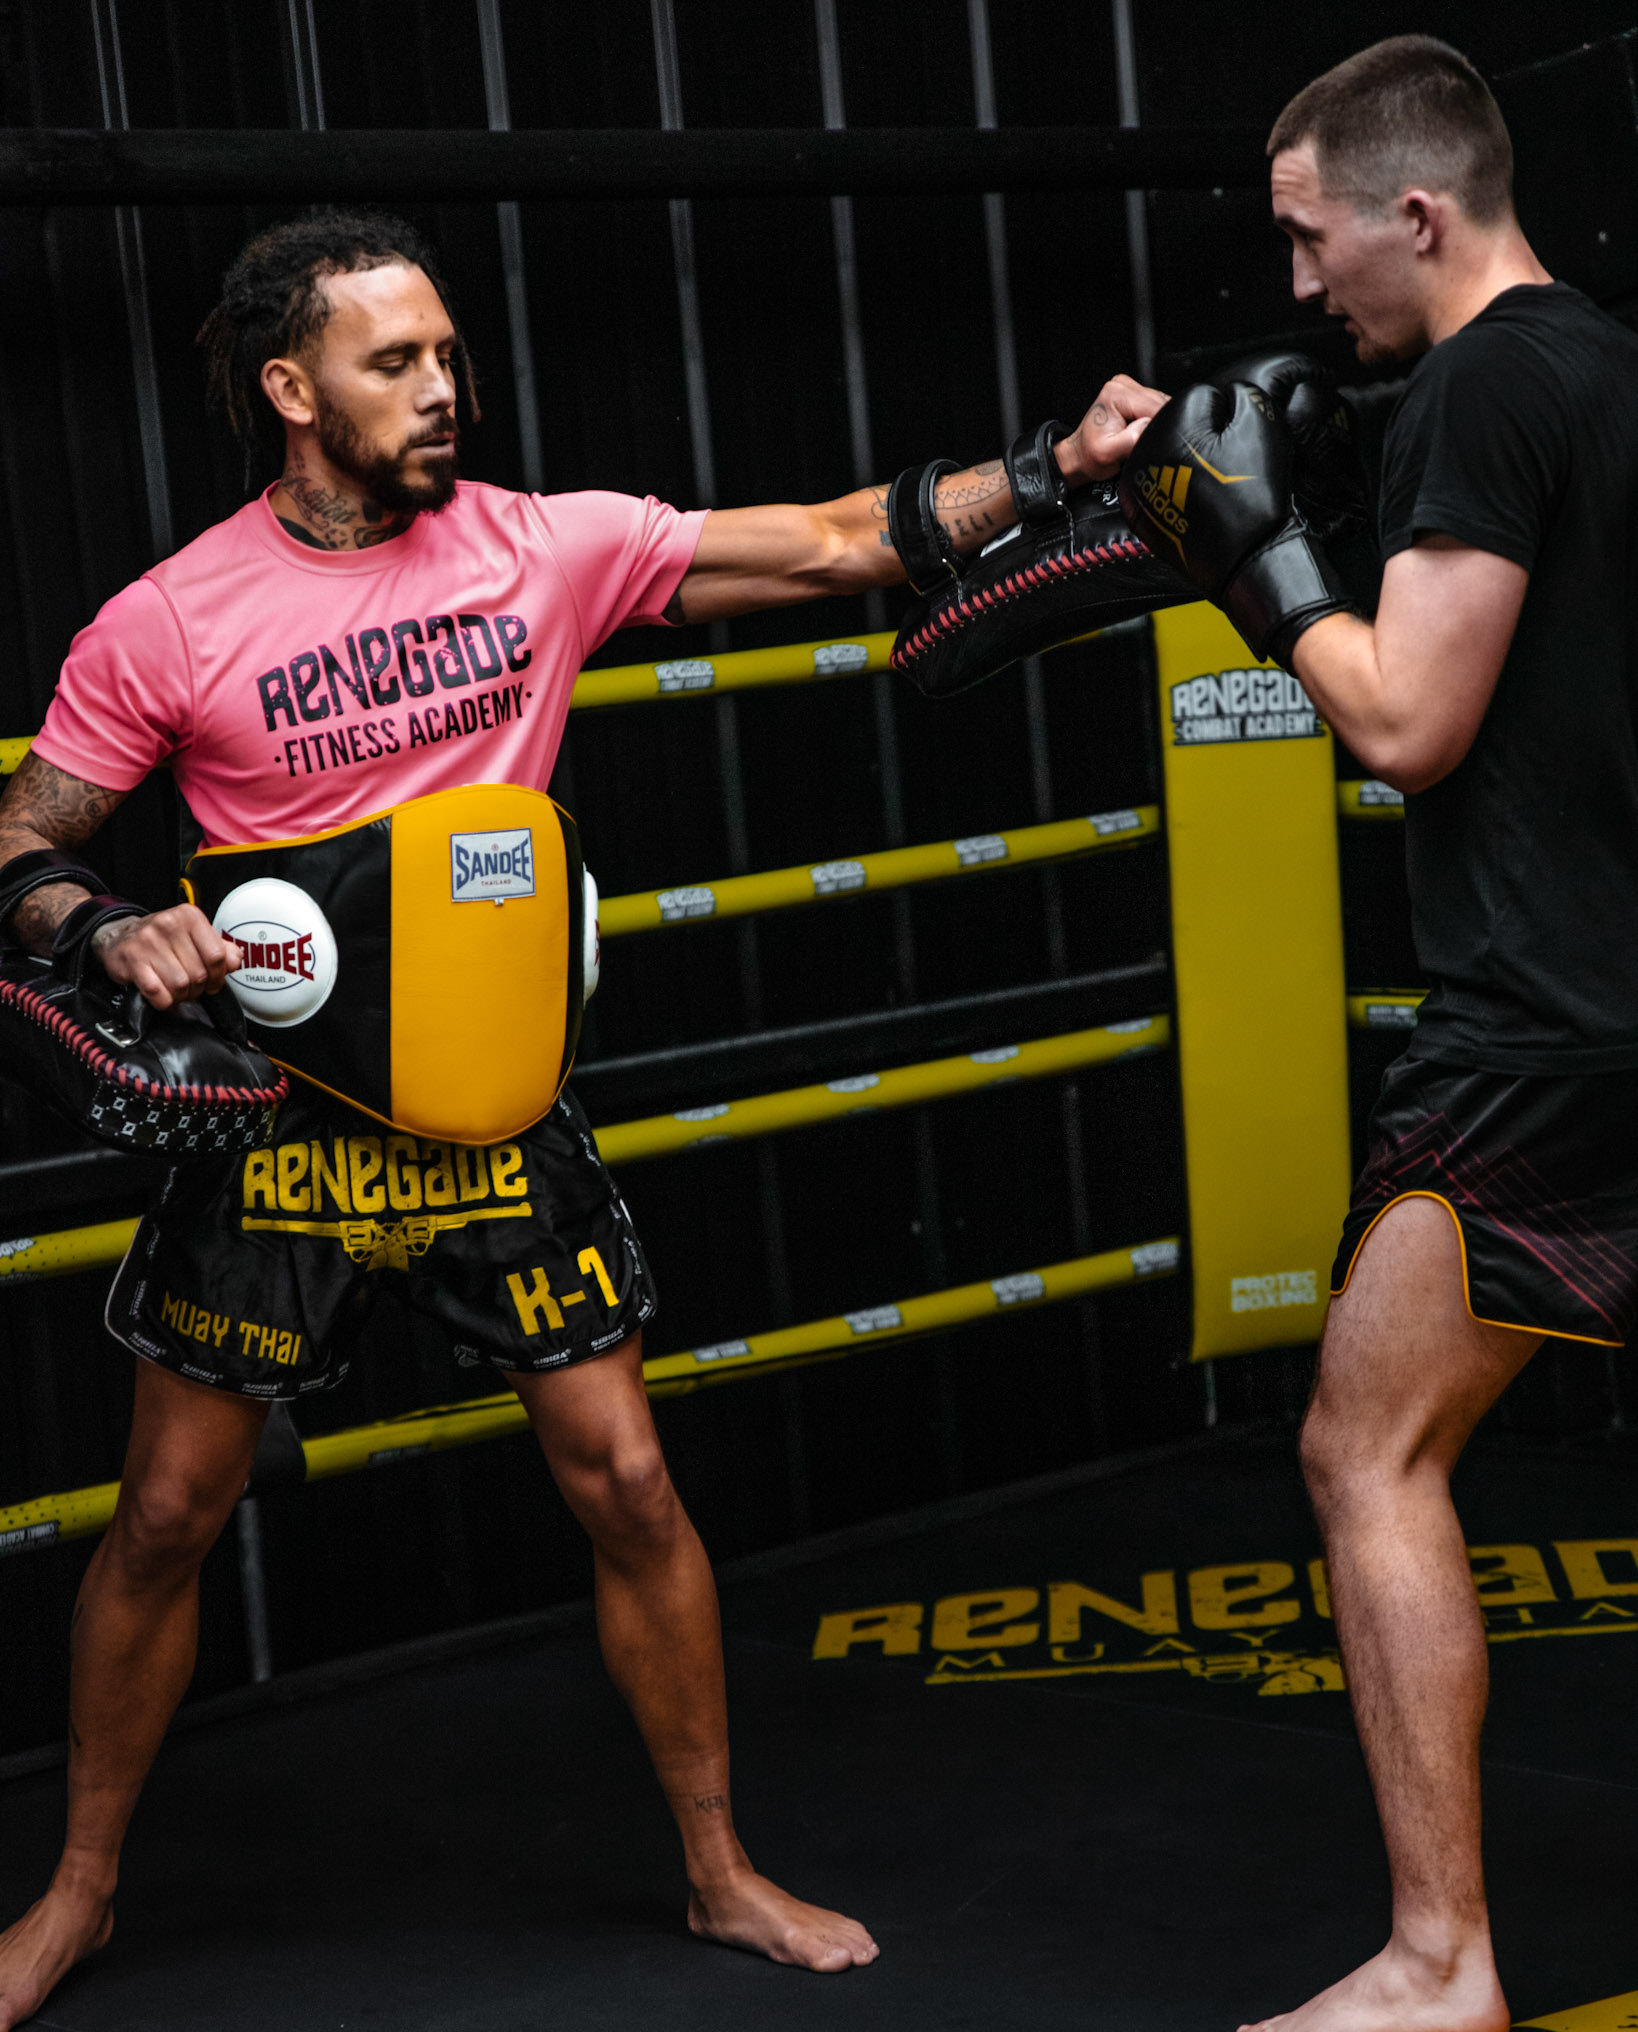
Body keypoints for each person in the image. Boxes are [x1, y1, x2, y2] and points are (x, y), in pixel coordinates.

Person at [0, 209, 1163, 2028]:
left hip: (492, 1112)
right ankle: (75, 1892)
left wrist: (1053, 469)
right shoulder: (174, 616)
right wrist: (98, 924)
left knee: (625, 1481)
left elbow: (841, 539)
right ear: (292, 390)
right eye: (396, 362)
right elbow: (23, 835)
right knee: (161, 1516)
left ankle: (717, 1869)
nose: (443, 388)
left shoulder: (543, 550)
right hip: (288, 1121)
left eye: (447, 353)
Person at [1121, 33, 1638, 2032]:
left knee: (1367, 1444)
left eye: (1307, 235)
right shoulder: (1600, 367)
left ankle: (1440, 1965)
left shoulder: (1481, 391)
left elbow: (1407, 722)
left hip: (1540, 1029)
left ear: (1412, 213)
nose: (1296, 279)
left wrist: (1255, 558)